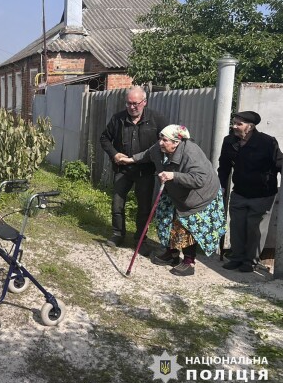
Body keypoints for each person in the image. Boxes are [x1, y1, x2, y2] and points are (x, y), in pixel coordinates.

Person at [120, 125, 226, 276]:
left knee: (186, 226)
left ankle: (189, 262)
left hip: (198, 196)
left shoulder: (191, 152)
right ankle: (172, 254)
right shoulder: (160, 148)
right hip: (175, 190)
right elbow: (149, 154)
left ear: (176, 142)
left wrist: (174, 175)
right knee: (165, 219)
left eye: (165, 140)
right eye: (160, 139)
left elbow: (199, 179)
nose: (160, 143)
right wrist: (130, 159)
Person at [100, 86, 168, 249]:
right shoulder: (118, 119)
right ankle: (118, 234)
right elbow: (104, 139)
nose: (131, 107)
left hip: (145, 171)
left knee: (144, 206)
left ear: (144, 102)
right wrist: (114, 154)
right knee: (117, 203)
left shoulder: (156, 119)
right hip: (122, 170)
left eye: (135, 103)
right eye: (128, 103)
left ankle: (140, 239)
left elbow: (168, 140)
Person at [218, 111, 283, 272]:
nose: (234, 126)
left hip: (262, 194)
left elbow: (280, 163)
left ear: (250, 126)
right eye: (234, 123)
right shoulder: (229, 141)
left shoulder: (267, 142)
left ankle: (250, 261)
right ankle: (237, 257)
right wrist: (222, 186)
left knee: (255, 228)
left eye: (238, 124)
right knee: (237, 226)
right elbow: (224, 166)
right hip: (239, 191)